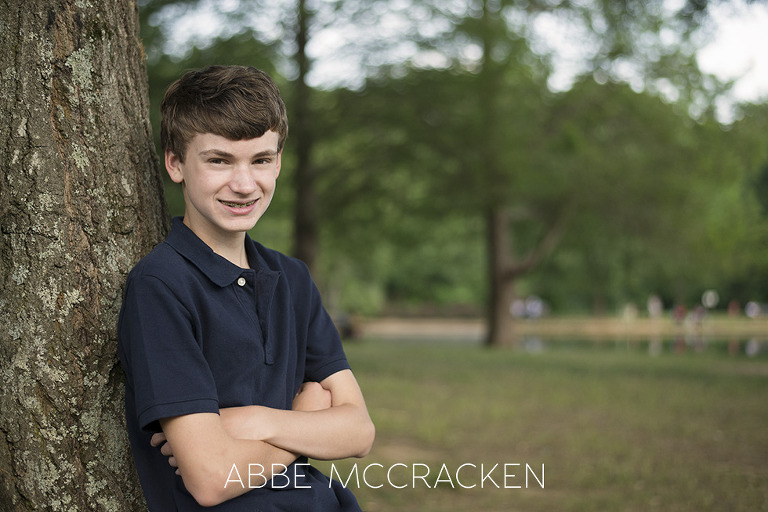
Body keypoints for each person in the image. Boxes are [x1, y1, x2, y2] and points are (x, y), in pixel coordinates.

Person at [117, 65, 375, 511]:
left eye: (261, 160)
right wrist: (305, 421)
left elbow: (358, 432)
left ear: (278, 160)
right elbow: (213, 478)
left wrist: (251, 420)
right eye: (219, 160)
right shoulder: (160, 285)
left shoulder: (292, 278)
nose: (243, 184)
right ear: (175, 163)